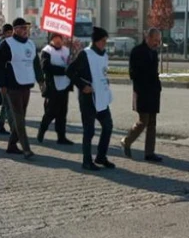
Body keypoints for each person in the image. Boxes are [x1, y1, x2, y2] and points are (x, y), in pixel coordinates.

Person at [67, 27, 116, 171]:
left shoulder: (104, 54)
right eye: (103, 41)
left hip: (101, 96)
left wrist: (105, 81)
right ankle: (86, 161)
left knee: (108, 126)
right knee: (89, 131)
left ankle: (101, 156)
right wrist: (82, 86)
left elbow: (103, 72)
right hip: (88, 98)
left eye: (106, 41)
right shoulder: (85, 54)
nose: (105, 44)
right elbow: (69, 71)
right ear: (95, 41)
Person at [0, 18, 43, 159]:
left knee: (20, 116)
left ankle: (11, 145)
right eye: (22, 27)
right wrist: (2, 85)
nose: (25, 30)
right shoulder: (6, 44)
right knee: (19, 118)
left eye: (26, 28)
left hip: (26, 84)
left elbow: (36, 64)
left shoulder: (30, 44)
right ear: (15, 29)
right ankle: (26, 148)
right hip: (12, 85)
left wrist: (41, 80)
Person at [122, 28, 163, 162]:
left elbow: (154, 72)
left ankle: (149, 153)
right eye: (155, 40)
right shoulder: (137, 51)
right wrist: (144, 84)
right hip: (142, 92)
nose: (157, 43)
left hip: (153, 93)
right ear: (148, 38)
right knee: (143, 121)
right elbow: (133, 73)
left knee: (152, 123)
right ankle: (126, 141)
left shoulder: (154, 53)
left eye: (159, 40)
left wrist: (157, 86)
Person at [38, 32, 74, 145]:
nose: (59, 42)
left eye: (60, 39)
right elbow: (46, 67)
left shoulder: (66, 50)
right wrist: (63, 70)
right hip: (53, 86)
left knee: (62, 113)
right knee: (50, 112)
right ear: (51, 40)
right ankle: (41, 131)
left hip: (65, 86)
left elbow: (70, 64)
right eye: (56, 39)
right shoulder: (46, 51)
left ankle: (61, 136)